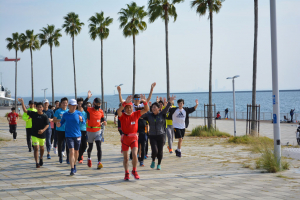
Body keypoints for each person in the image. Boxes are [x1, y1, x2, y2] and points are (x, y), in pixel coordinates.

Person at [117, 86, 149, 180]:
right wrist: (124, 103)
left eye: (130, 107)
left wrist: (145, 102)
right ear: (125, 108)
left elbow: (146, 109)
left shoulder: (136, 114)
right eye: (127, 108)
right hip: (125, 139)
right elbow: (118, 110)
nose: (129, 109)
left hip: (134, 138)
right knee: (126, 158)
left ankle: (134, 170)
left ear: (132, 108)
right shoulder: (122, 115)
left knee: (135, 154)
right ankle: (127, 173)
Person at [142, 95, 175, 170]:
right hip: (152, 136)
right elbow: (140, 115)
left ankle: (159, 164)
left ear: (158, 108)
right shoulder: (149, 115)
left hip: (161, 135)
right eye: (152, 107)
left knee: (160, 151)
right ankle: (153, 160)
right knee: (154, 150)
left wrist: (169, 102)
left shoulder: (162, 114)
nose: (153, 108)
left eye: (155, 107)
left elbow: (166, 108)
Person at [57, 99, 85, 176]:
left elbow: (84, 122)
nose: (74, 107)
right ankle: (72, 168)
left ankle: (74, 164)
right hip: (69, 135)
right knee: (71, 151)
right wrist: (59, 124)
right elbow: (62, 122)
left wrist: (81, 119)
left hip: (78, 135)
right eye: (72, 105)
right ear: (69, 105)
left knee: (76, 152)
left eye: (75, 105)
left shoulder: (79, 113)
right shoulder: (65, 114)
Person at [18, 98, 49, 168]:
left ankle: (41, 158)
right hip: (34, 134)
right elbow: (25, 110)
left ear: (42, 108)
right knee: (36, 147)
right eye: (38, 107)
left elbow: (47, 125)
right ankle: (37, 162)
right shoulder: (33, 114)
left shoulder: (44, 116)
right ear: (36, 107)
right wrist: (22, 102)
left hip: (42, 134)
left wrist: (43, 130)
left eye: (40, 107)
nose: (39, 108)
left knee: (42, 148)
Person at [83, 91, 107, 169]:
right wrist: (88, 97)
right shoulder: (89, 109)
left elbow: (103, 118)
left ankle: (99, 162)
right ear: (94, 104)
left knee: (99, 147)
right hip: (90, 131)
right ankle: (89, 158)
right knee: (90, 147)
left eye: (99, 104)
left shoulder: (101, 111)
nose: (98, 106)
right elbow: (83, 105)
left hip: (98, 131)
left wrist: (104, 121)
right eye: (97, 104)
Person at [53, 97, 69, 164]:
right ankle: (60, 156)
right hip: (59, 130)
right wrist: (61, 120)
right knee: (60, 144)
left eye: (66, 103)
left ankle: (68, 158)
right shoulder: (58, 111)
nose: (64, 104)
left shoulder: (68, 111)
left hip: (68, 130)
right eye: (63, 103)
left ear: (67, 104)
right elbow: (54, 120)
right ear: (61, 103)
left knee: (68, 145)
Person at [77, 97, 88, 164]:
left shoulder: (86, 113)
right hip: (77, 130)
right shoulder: (75, 112)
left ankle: (81, 154)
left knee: (84, 145)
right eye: (79, 103)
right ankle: (80, 157)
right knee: (79, 144)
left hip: (84, 130)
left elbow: (88, 120)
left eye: (81, 103)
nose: (80, 105)